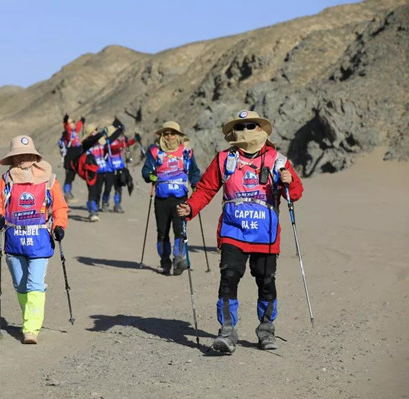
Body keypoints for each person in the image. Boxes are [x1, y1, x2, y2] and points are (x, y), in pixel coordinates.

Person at [176, 109, 304, 353]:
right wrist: (190, 207)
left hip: (265, 234)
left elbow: (295, 194)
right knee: (228, 279)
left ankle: (266, 331)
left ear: (261, 129)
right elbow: (206, 189)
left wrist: (289, 181)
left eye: (251, 125)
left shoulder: (278, 160)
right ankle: (227, 332)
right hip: (233, 231)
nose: (245, 130)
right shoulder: (224, 159)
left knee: (266, 282)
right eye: (240, 126)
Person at [0, 135, 68, 344]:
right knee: (20, 285)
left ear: (34, 156)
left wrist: (59, 225)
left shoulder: (49, 179)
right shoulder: (6, 180)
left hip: (39, 240)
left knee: (35, 284)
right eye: (18, 155)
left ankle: (31, 329)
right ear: (12, 158)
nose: (23, 158)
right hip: (14, 240)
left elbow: (59, 206)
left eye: (26, 154)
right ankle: (29, 318)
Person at [141, 121, 200, 276]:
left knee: (180, 230)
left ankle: (178, 260)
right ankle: (165, 262)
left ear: (178, 136)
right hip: (161, 199)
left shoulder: (187, 152)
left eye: (172, 133)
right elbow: (146, 171)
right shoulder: (155, 152)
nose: (169, 137)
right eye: (165, 134)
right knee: (162, 232)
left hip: (180, 198)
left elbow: (194, 171)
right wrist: (151, 176)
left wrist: (195, 183)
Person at [80, 122, 125, 221]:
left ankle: (94, 208)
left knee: (99, 190)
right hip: (91, 170)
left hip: (101, 169)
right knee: (93, 191)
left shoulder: (100, 141)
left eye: (97, 130)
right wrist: (101, 133)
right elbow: (92, 140)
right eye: (94, 130)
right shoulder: (86, 142)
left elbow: (111, 138)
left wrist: (119, 130)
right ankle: (93, 211)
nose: (96, 131)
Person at [105, 128, 141, 213]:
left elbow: (126, 144)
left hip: (119, 168)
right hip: (110, 169)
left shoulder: (119, 141)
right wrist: (123, 142)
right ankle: (105, 202)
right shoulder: (109, 142)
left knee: (119, 187)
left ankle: (117, 204)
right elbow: (114, 147)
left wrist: (134, 140)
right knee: (108, 188)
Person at [59, 114, 85, 201]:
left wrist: (81, 121)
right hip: (70, 155)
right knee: (69, 174)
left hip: (76, 155)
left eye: (74, 122)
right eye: (71, 123)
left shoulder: (74, 131)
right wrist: (65, 121)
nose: (73, 124)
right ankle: (66, 191)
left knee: (73, 175)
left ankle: (69, 191)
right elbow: (67, 127)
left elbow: (78, 127)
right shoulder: (68, 133)